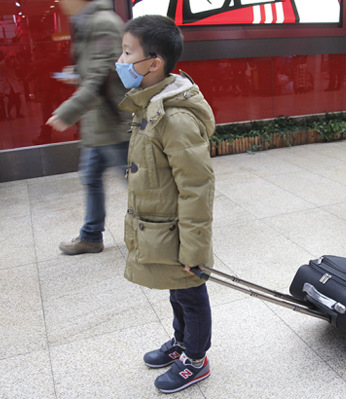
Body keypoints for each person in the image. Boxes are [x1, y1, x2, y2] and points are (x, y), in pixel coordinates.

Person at [116, 15, 216, 394]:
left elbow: (197, 187)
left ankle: (196, 359)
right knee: (176, 291)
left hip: (178, 229)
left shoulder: (174, 118)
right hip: (161, 226)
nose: (121, 61)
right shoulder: (150, 105)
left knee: (190, 292)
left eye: (128, 53)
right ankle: (181, 343)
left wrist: (195, 248)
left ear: (153, 62)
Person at [48, 0, 130, 255]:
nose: (61, 3)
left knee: (138, 184)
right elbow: (96, 70)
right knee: (91, 177)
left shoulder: (103, 23)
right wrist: (77, 73)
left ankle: (169, 231)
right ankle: (91, 236)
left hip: (114, 121)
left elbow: (103, 76)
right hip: (98, 122)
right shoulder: (88, 23)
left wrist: (68, 112)